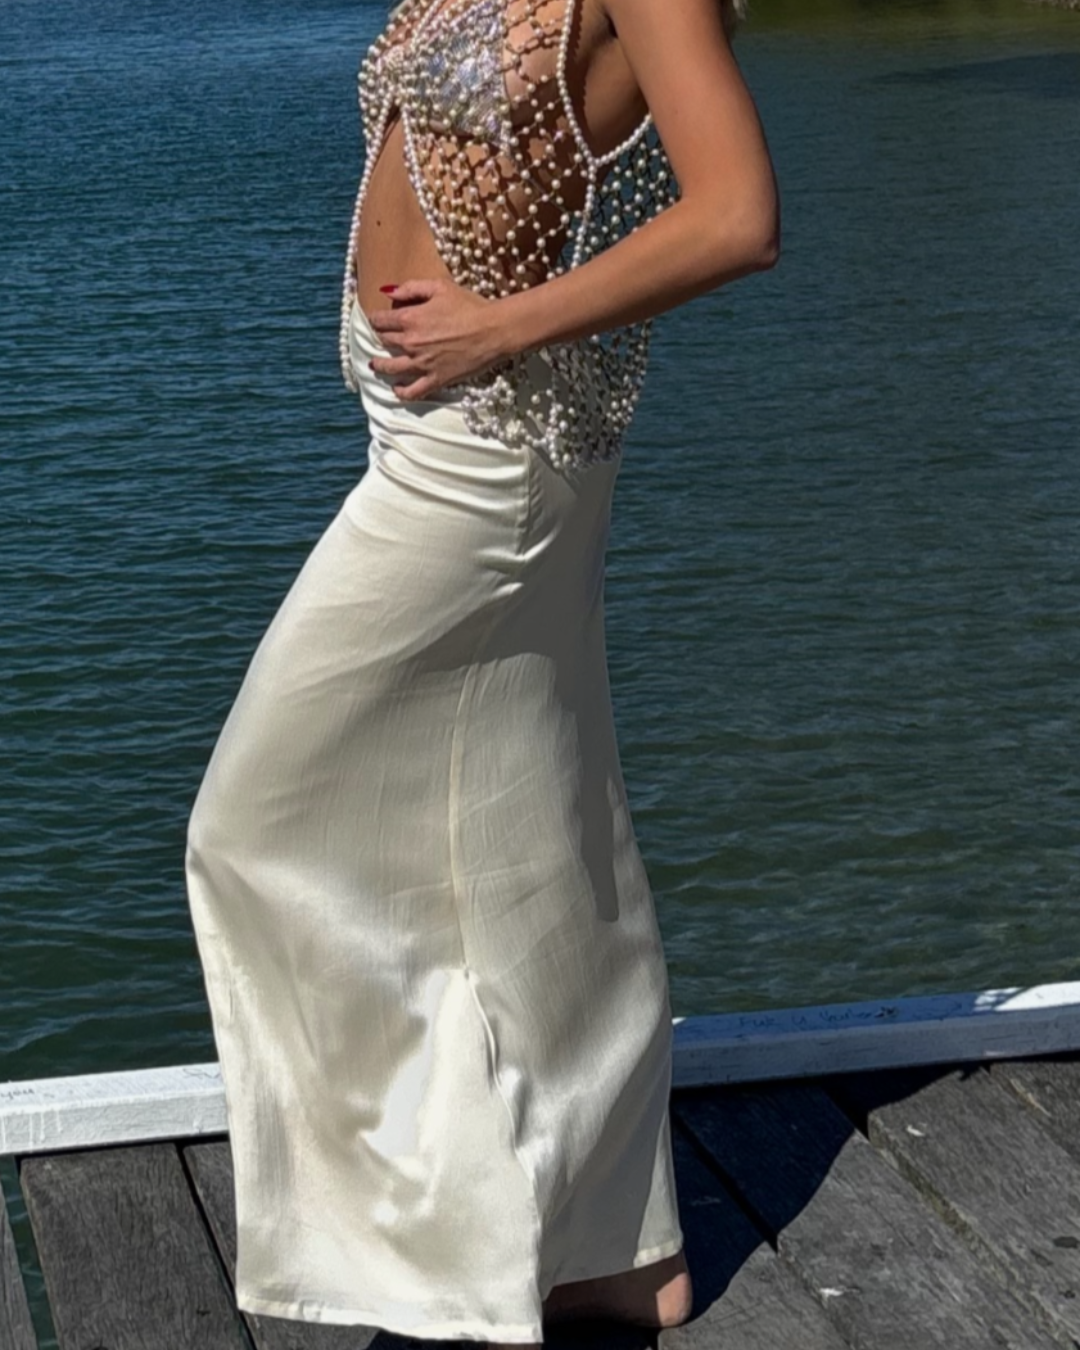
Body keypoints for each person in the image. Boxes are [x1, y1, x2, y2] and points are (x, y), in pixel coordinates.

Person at [184, 0, 778, 1346]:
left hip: (492, 452)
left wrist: (503, 327)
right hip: (420, 426)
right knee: (530, 827)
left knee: (250, 824)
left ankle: (423, 1232)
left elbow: (739, 215)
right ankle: (617, 1248)